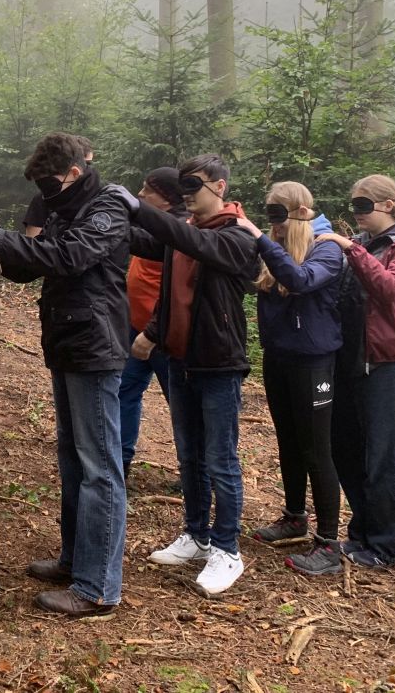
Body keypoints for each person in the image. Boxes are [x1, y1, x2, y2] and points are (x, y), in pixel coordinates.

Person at [0, 132, 131, 618]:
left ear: (73, 172)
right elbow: (30, 269)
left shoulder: (106, 207)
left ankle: (97, 588)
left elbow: (68, 257)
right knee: (74, 460)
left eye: (50, 183)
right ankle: (77, 560)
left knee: (99, 468)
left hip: (96, 347)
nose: (45, 192)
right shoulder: (61, 204)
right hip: (68, 342)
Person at [129, 154, 260, 596]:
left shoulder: (237, 235)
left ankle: (227, 550)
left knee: (220, 459)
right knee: (189, 455)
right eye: (182, 185)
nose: (188, 193)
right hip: (180, 358)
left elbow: (190, 242)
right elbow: (165, 280)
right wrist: (154, 332)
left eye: (195, 184)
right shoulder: (185, 236)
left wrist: (136, 206)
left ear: (219, 187)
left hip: (219, 361)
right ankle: (197, 535)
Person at [316, 175, 395, 570]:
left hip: (387, 364)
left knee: (386, 456)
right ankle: (363, 534)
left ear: (389, 206)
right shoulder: (364, 245)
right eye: (354, 206)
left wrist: (348, 249)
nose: (357, 213)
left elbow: (394, 288)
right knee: (347, 451)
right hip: (351, 362)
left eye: (364, 206)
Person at [234, 182, 345, 576]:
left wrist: (262, 239)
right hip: (279, 357)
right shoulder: (275, 248)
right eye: (268, 215)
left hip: (314, 361)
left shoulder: (328, 247)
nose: (272, 223)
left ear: (299, 210)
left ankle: (329, 544)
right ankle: (294, 517)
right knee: (289, 441)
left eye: (277, 214)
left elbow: (300, 280)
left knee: (317, 448)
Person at [118, 168, 184, 484]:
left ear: (169, 200)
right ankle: (120, 461)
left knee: (182, 405)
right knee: (125, 391)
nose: (141, 194)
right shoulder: (153, 221)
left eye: (148, 190)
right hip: (135, 327)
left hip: (165, 334)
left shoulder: (179, 231)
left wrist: (153, 332)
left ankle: (198, 473)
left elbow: (177, 292)